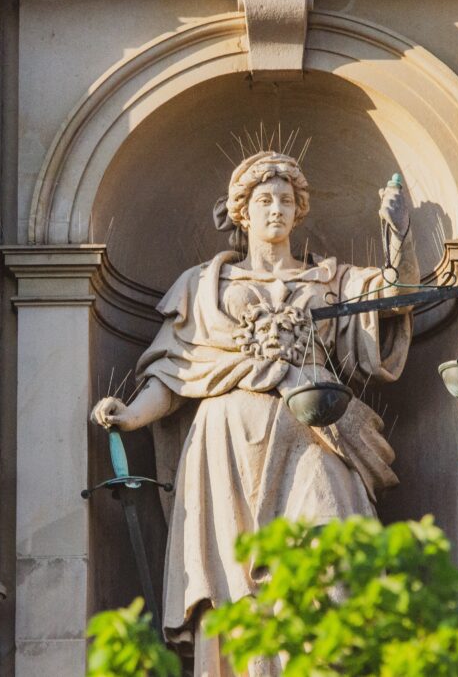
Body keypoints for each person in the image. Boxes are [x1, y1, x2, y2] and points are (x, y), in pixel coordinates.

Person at [91, 150, 418, 675]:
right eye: (265, 199)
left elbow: (396, 299)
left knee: (334, 556)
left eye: (287, 200)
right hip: (225, 445)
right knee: (233, 583)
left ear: (299, 210)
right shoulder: (203, 286)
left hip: (316, 433)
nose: (277, 210)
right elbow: (177, 371)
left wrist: (399, 236)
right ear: (241, 211)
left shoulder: (331, 281)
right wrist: (130, 416)